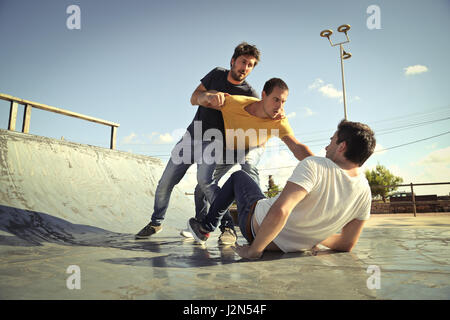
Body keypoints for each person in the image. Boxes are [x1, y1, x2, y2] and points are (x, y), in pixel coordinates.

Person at [188, 120, 376, 260]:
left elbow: (281, 210)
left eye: (332, 141)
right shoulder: (364, 192)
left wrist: (254, 250)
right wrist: (311, 236)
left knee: (238, 176)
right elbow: (346, 244)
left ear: (342, 146)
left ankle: (207, 226)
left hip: (255, 228)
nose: (327, 147)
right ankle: (213, 226)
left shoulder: (316, 165)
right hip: (294, 247)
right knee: (260, 195)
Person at [136, 42, 265, 242]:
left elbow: (261, 120)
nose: (245, 68)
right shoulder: (216, 74)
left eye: (250, 65)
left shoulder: (250, 95)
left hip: (214, 142)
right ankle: (156, 222)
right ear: (233, 61)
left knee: (205, 182)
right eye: (243, 62)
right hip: (191, 136)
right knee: (165, 182)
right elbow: (193, 97)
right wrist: (208, 96)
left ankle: (227, 227)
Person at [181, 77, 313, 244]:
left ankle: (259, 219)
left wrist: (321, 166)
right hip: (229, 149)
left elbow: (296, 146)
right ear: (263, 95)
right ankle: (202, 225)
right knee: (203, 184)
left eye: (283, 102)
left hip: (253, 147)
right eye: (276, 100)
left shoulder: (279, 120)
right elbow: (196, 99)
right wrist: (210, 95)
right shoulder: (234, 102)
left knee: (248, 166)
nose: (279, 107)